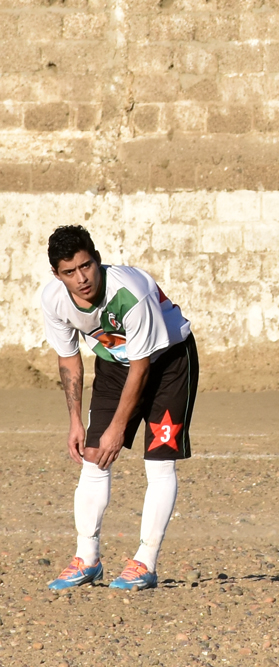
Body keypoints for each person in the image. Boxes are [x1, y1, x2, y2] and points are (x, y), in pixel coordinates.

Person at [42, 225, 197, 591]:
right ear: (57, 274)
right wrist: (75, 421)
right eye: (69, 272)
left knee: (158, 462)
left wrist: (118, 428)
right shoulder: (54, 299)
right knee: (94, 455)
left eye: (86, 266)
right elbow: (69, 359)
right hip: (114, 363)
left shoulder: (130, 293)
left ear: (97, 260)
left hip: (168, 363)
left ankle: (145, 562)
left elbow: (141, 367)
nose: (81, 278)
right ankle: (87, 559)